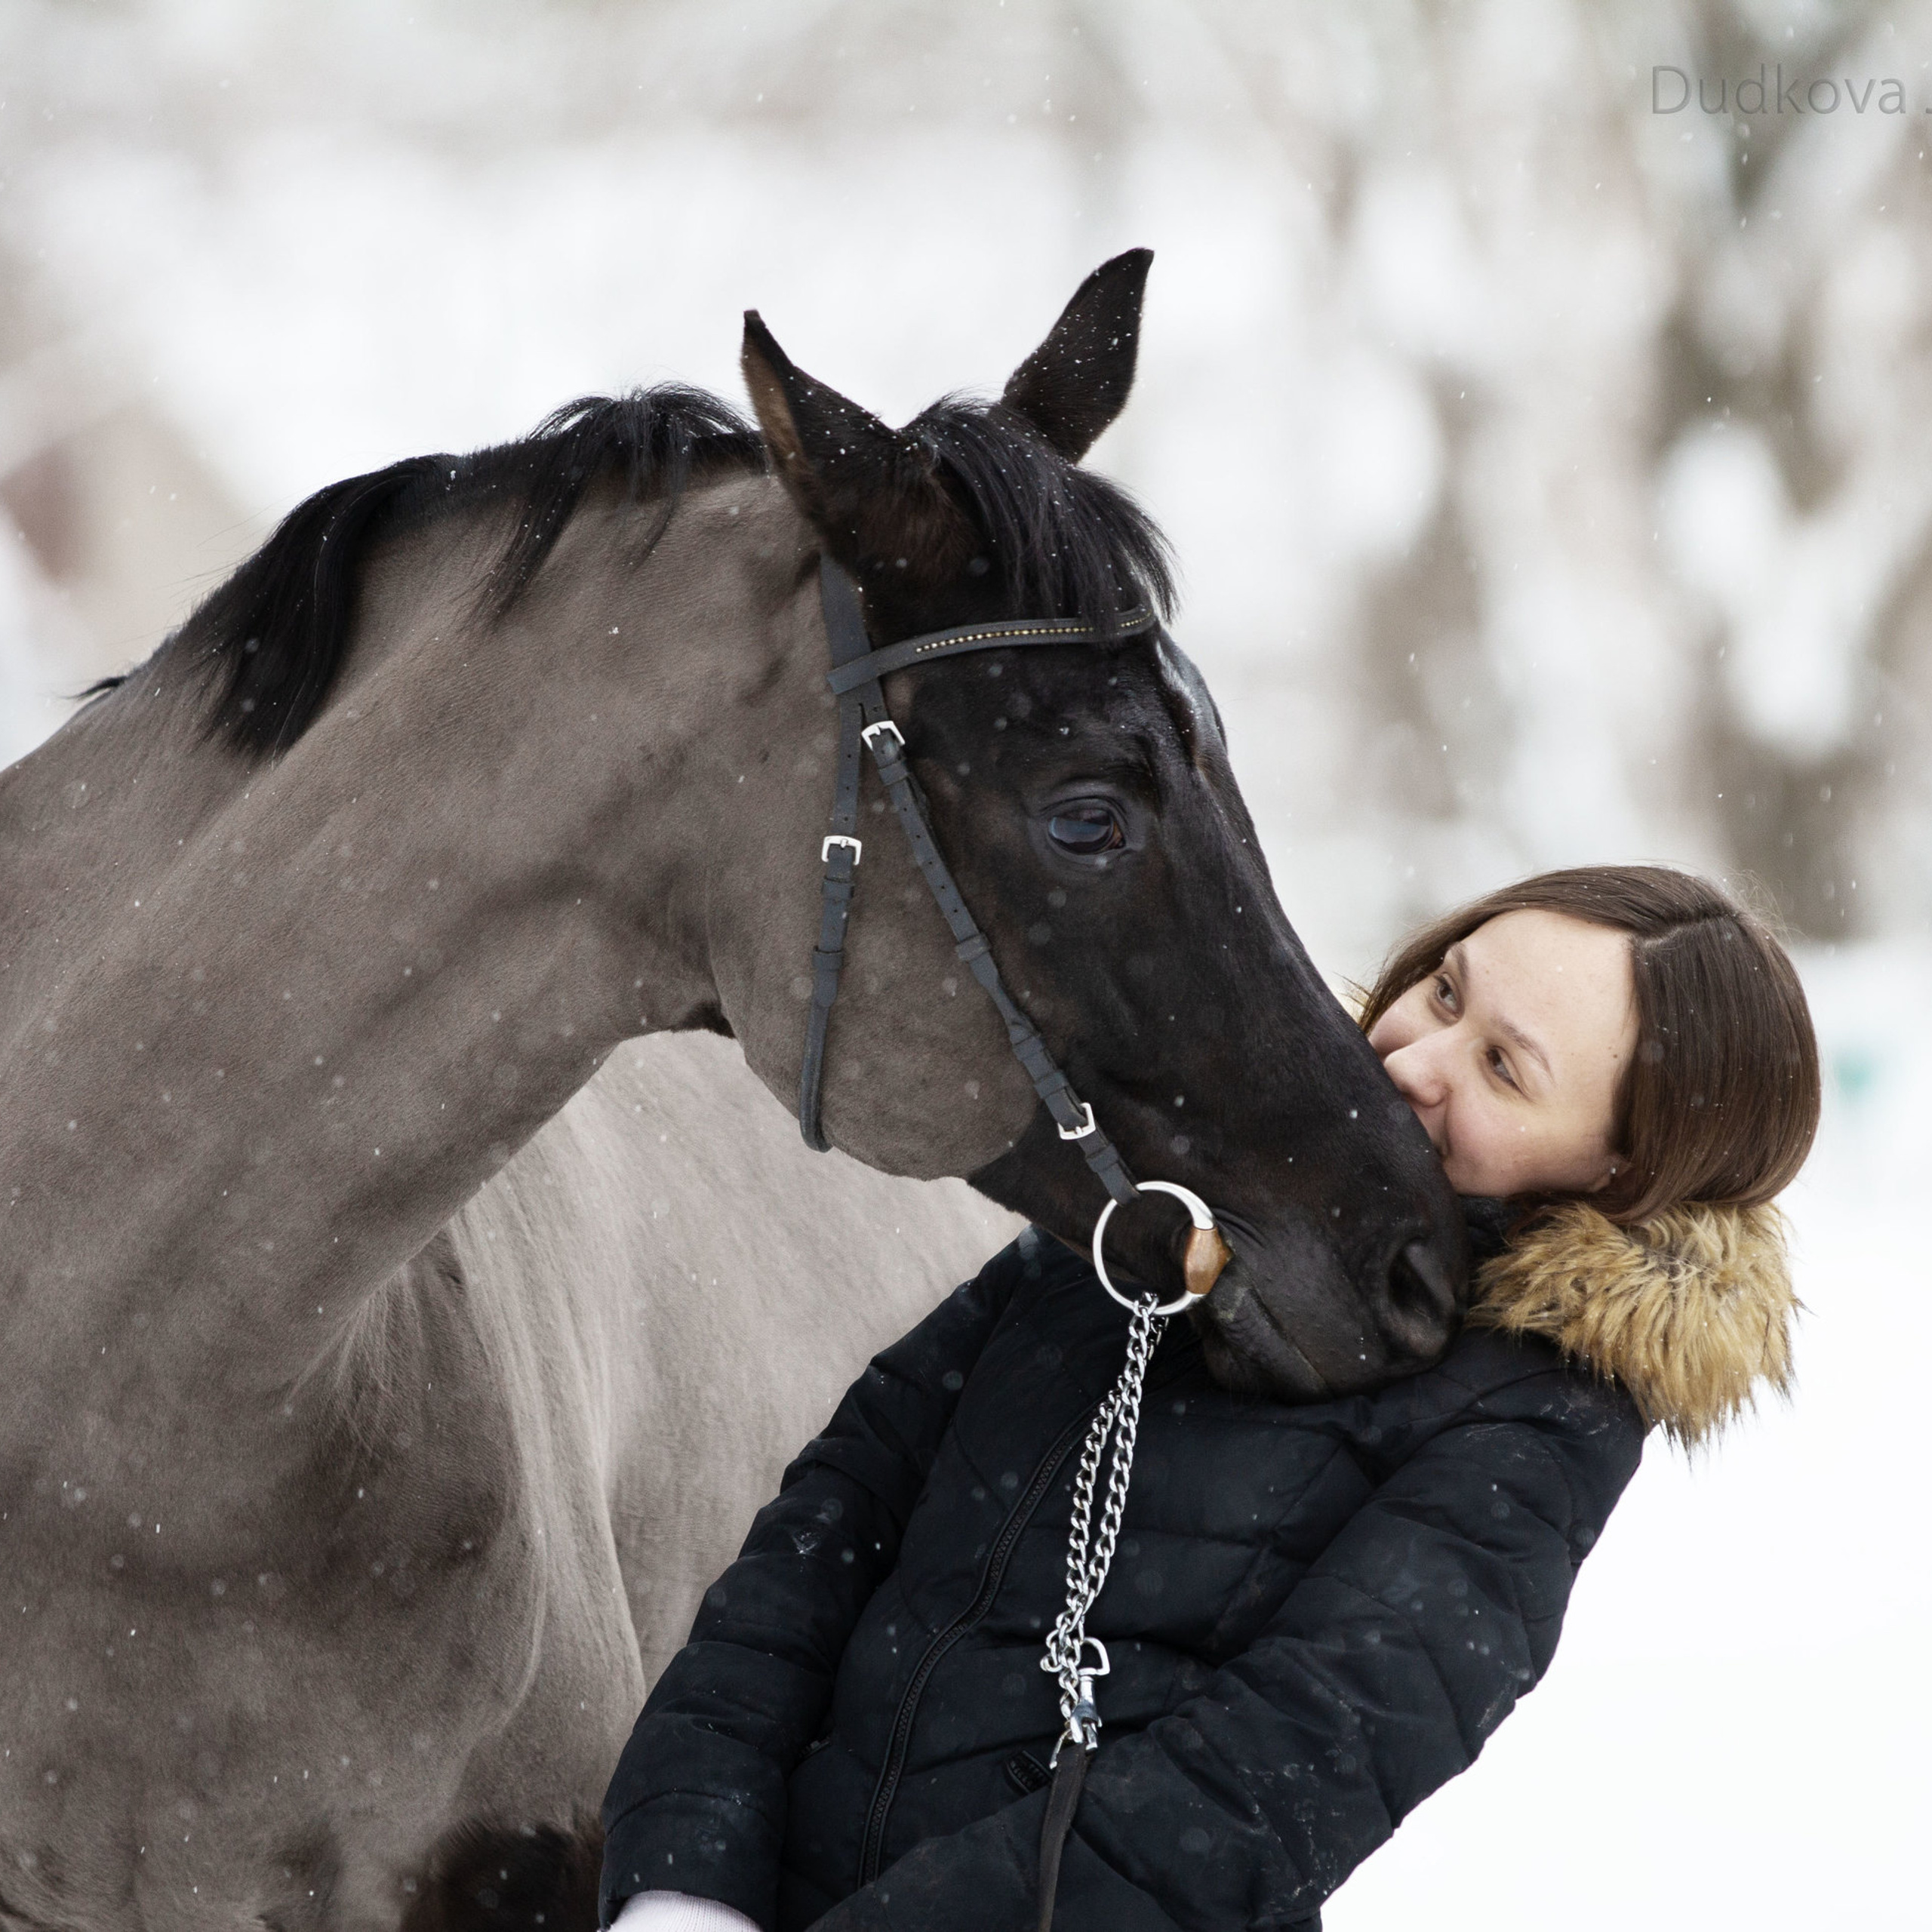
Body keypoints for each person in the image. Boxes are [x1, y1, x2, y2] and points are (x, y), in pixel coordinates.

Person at [598, 865, 1819, 1932]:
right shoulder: (1172, 1202)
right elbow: (829, 1524)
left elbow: (1267, 1781)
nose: (1413, 1058)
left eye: (1504, 1067)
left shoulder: (1535, 1415)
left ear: (1619, 1171)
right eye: (1447, 991)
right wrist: (684, 1872)